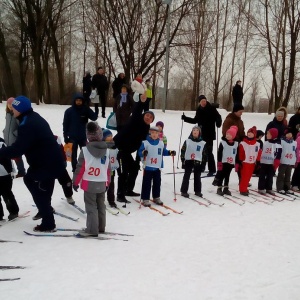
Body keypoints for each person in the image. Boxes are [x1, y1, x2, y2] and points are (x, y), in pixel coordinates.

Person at [0, 96, 65, 232]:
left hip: (46, 163)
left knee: (31, 181)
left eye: (14, 108)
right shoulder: (33, 117)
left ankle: (48, 220)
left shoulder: (27, 124)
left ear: (20, 109)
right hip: (51, 161)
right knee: (43, 188)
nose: (12, 111)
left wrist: (2, 152)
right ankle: (46, 211)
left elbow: (18, 149)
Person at [112, 96, 154, 203]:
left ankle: (128, 190)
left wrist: (139, 158)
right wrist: (141, 102)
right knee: (123, 172)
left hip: (127, 150)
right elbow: (136, 111)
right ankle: (120, 194)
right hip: (118, 147)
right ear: (143, 116)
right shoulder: (136, 120)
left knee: (134, 168)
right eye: (147, 115)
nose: (148, 118)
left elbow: (142, 143)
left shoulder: (146, 128)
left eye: (150, 118)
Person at [73, 122, 110, 237]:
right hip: (102, 182)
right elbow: (108, 169)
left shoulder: (85, 151)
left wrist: (75, 182)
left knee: (91, 206)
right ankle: (101, 227)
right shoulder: (107, 151)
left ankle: (92, 229)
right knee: (101, 205)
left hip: (89, 182)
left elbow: (80, 168)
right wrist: (108, 182)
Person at [181, 95, 222, 176]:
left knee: (209, 152)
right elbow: (195, 120)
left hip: (209, 134)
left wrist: (218, 122)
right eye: (202, 101)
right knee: (200, 151)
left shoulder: (211, 108)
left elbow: (218, 117)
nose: (203, 102)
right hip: (201, 134)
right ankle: (200, 167)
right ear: (199, 102)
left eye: (204, 100)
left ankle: (212, 169)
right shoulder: (199, 109)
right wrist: (185, 118)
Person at [138, 126, 175, 207]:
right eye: (153, 133)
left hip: (157, 167)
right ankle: (145, 198)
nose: (154, 134)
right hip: (148, 166)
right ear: (150, 133)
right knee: (147, 183)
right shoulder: (145, 143)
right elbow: (139, 152)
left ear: (159, 134)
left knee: (157, 183)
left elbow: (163, 152)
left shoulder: (161, 143)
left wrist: (170, 152)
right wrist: (143, 152)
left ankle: (156, 197)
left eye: (156, 133)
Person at [63, 93, 98, 172]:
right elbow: (65, 124)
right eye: (77, 100)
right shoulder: (69, 111)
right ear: (74, 101)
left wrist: (93, 108)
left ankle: (84, 168)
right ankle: (75, 169)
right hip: (72, 137)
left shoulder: (85, 109)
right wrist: (65, 136)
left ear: (82, 101)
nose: (78, 102)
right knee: (73, 155)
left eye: (80, 100)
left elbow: (94, 117)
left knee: (85, 154)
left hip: (83, 136)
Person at [180, 126, 206, 198]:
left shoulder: (202, 143)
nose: (195, 131)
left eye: (197, 130)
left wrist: (203, 164)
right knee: (186, 176)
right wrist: (183, 160)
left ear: (199, 132)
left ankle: (198, 191)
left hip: (198, 162)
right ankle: (184, 191)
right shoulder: (188, 141)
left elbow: (204, 154)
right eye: (194, 130)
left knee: (197, 176)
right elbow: (183, 150)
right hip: (188, 161)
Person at [3, 97, 26, 177]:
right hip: (7, 137)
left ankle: (21, 171)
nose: (10, 106)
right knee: (8, 154)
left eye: (11, 105)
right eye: (8, 105)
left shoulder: (16, 114)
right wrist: (4, 131)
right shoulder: (8, 113)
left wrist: (14, 133)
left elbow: (20, 126)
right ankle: (9, 169)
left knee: (16, 155)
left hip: (13, 137)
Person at [237, 126, 261, 196]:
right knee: (244, 176)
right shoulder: (243, 143)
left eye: (251, 133)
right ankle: (242, 189)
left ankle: (244, 188)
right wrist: (240, 161)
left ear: (254, 135)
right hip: (245, 162)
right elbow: (241, 153)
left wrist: (258, 161)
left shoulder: (257, 144)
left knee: (249, 176)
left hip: (252, 162)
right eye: (248, 133)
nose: (249, 134)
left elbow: (259, 153)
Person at [258, 128, 282, 195]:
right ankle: (261, 188)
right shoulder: (265, 143)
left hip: (271, 163)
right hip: (263, 162)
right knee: (262, 176)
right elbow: (261, 151)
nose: (266, 135)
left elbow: (278, 154)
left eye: (268, 134)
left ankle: (269, 188)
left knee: (270, 176)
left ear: (273, 135)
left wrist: (276, 162)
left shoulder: (277, 145)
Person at [0, 137, 19, 221]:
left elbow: (6, 157)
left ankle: (13, 211)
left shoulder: (1, 143)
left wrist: (9, 171)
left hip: (4, 174)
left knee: (6, 193)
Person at [216, 126, 238, 196]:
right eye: (227, 134)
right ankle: (219, 188)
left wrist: (237, 163)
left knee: (227, 175)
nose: (227, 135)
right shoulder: (223, 143)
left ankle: (226, 188)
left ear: (233, 136)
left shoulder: (236, 144)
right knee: (222, 175)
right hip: (223, 162)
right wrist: (219, 162)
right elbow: (219, 153)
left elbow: (237, 154)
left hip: (231, 163)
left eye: (230, 134)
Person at [276, 128, 297, 195]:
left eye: (290, 133)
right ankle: (280, 187)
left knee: (288, 175)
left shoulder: (294, 143)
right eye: (287, 134)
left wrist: (295, 160)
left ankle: (287, 187)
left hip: (290, 161)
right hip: (283, 161)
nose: (289, 135)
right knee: (281, 175)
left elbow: (295, 152)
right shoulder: (282, 141)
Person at [103, 129, 119, 208]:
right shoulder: (102, 147)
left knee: (111, 184)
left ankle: (111, 200)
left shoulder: (114, 145)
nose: (110, 137)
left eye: (111, 136)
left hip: (112, 169)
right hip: (104, 170)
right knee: (103, 186)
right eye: (108, 136)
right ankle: (99, 200)